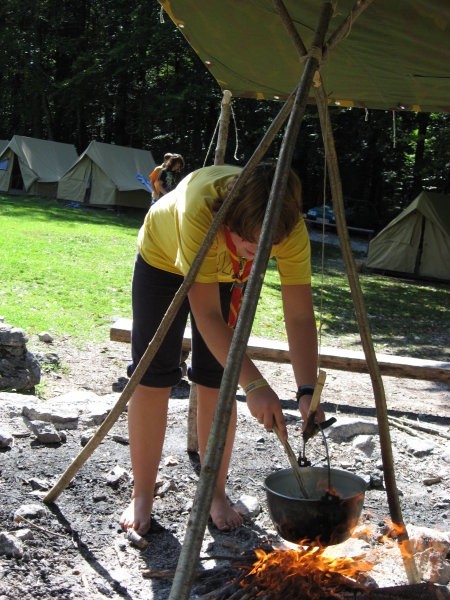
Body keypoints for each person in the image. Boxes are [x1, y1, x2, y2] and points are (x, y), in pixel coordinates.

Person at [120, 162, 325, 536]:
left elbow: (298, 316)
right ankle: (143, 493)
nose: (257, 252)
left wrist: (307, 390)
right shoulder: (204, 210)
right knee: (153, 374)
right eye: (250, 242)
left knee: (218, 378)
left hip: (227, 269)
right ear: (230, 220)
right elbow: (208, 316)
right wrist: (257, 385)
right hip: (162, 258)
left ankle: (213, 494)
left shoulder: (290, 228)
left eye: (267, 247)